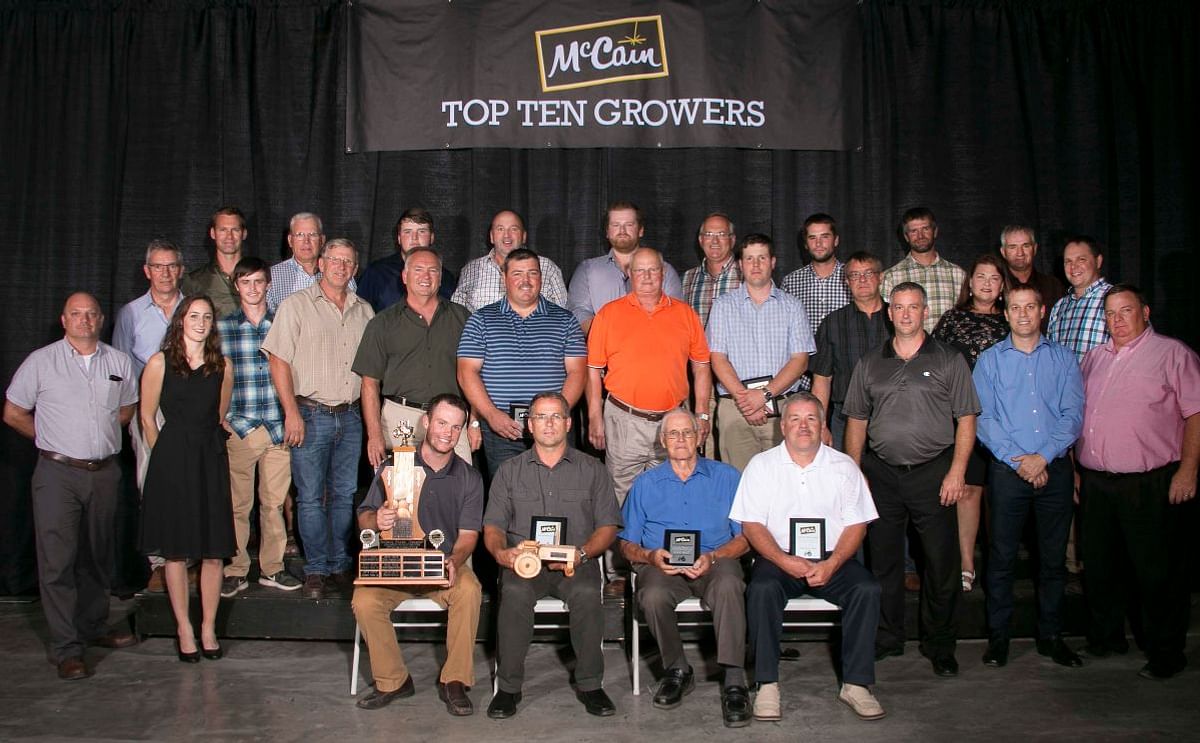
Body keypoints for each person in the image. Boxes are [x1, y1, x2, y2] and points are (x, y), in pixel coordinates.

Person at [843, 282, 980, 677]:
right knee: (883, 562)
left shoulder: (949, 359)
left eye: (913, 307)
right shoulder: (871, 362)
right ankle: (888, 637)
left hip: (933, 472)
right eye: (898, 307)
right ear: (889, 313)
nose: (905, 314)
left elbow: (966, 418)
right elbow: (856, 420)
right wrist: (856, 472)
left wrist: (957, 470)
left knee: (940, 563)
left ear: (924, 312)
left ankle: (940, 644)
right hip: (882, 473)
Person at [4, 293, 140, 680]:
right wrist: (47, 438)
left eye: (91, 314)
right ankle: (67, 648)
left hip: (104, 472)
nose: (85, 320)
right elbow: (13, 412)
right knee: (58, 561)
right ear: (64, 320)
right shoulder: (41, 362)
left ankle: (94, 627)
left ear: (101, 319)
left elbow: (127, 407)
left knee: (97, 555)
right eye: (76, 314)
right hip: (57, 474)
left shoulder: (117, 361)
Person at [732, 394, 884, 722]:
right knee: (761, 590)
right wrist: (783, 560)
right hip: (778, 557)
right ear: (782, 426)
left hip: (833, 558)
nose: (803, 426)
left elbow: (857, 523)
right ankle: (766, 683)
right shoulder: (762, 466)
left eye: (811, 419)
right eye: (796, 419)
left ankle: (856, 684)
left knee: (866, 589)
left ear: (823, 425)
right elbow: (752, 525)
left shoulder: (843, 466)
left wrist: (833, 563)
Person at [1077, 284, 1199, 680]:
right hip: (1097, 482)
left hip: (1151, 482)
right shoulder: (1093, 358)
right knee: (1100, 566)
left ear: (1145, 312)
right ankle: (1108, 637)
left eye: (1125, 311)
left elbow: (1196, 414)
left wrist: (1188, 470)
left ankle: (1166, 652)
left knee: (1157, 572)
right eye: (1110, 314)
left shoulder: (1172, 353)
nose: (1117, 320)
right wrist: (1078, 471)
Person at [483, 392, 622, 719]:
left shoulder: (592, 469)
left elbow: (608, 526)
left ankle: (591, 685)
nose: (548, 424)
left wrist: (584, 554)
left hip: (576, 561)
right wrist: (502, 554)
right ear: (529, 424)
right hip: (524, 564)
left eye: (556, 416)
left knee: (588, 594)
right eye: (541, 417)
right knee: (514, 593)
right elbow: (492, 527)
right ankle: (508, 688)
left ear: (569, 423)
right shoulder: (509, 471)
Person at [586, 247, 712, 594]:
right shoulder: (609, 315)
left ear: (662, 274)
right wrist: (595, 417)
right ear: (629, 275)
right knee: (622, 495)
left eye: (652, 271)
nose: (646, 277)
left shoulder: (685, 314)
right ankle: (620, 574)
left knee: (672, 492)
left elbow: (702, 366)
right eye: (639, 271)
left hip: (674, 419)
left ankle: (669, 564)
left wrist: (701, 414)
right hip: (624, 417)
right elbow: (593, 371)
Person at [973, 283, 1084, 668]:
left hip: (1054, 470)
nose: (1022, 314)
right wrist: (1020, 461)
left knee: (1052, 562)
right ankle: (999, 639)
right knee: (1001, 558)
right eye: (1015, 307)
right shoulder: (989, 361)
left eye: (1030, 306)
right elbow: (983, 419)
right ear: (1006, 313)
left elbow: (1073, 416)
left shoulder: (1065, 359)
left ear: (1042, 311)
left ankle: (1051, 636)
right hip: (1007, 471)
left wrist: (1042, 457)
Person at [351, 394, 484, 715]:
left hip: (442, 564)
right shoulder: (396, 465)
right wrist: (376, 519)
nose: (447, 433)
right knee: (364, 601)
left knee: (469, 589)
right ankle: (393, 680)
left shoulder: (469, 477)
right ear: (426, 422)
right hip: (396, 563)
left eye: (456, 427)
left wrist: (454, 560)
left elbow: (468, 536)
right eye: (441, 423)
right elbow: (364, 517)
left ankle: (455, 681)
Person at [618, 409, 751, 726]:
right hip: (662, 565)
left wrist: (715, 557)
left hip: (716, 561)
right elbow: (625, 543)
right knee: (650, 594)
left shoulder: (728, 477)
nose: (680, 439)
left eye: (687, 433)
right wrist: (651, 558)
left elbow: (746, 538)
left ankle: (734, 679)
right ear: (662, 440)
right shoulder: (646, 484)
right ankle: (677, 669)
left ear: (700, 436)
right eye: (673, 434)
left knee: (731, 583)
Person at [262, 238, 374, 599]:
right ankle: (315, 569)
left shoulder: (365, 311)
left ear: (354, 269)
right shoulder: (296, 306)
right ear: (321, 264)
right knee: (310, 497)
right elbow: (278, 359)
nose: (341, 267)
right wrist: (291, 412)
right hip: (309, 413)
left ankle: (340, 564)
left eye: (348, 262)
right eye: (335, 260)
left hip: (351, 415)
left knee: (343, 495)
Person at [137, 295, 235, 662]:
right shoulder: (159, 363)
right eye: (194, 315)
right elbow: (147, 418)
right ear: (181, 320)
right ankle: (184, 628)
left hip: (209, 457)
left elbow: (219, 412)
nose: (200, 321)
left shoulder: (222, 366)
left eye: (207, 317)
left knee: (213, 551)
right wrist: (166, 459)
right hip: (172, 460)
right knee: (175, 551)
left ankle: (208, 626)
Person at [456, 247, 587, 477]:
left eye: (532, 273)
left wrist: (553, 416)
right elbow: (467, 373)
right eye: (517, 273)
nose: (525, 281)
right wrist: (490, 414)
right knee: (508, 497)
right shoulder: (481, 320)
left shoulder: (565, 320)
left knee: (557, 494)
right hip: (502, 429)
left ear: (541, 277)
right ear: (503, 278)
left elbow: (577, 372)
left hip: (553, 430)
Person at [217, 257, 299, 596]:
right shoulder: (222, 327)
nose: (253, 288)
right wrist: (220, 418)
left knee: (274, 502)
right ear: (237, 286)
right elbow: (213, 374)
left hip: (278, 426)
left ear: (268, 284)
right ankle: (236, 568)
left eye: (258, 281)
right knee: (238, 504)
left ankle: (272, 568)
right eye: (245, 282)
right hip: (240, 425)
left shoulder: (283, 321)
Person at [931, 254, 1010, 592]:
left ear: (1003, 285)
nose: (987, 283)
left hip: (1004, 416)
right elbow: (933, 362)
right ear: (970, 282)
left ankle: (1000, 564)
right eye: (980, 276)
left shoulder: (1012, 321)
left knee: (1001, 495)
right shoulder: (952, 319)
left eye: (994, 278)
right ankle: (966, 562)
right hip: (959, 415)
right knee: (967, 490)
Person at [354, 247, 474, 469]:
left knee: (458, 486)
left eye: (433, 270)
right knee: (403, 495)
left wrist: (474, 420)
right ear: (404, 276)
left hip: (451, 416)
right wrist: (374, 435)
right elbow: (369, 384)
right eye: (418, 269)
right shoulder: (382, 323)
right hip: (401, 417)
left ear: (441, 277)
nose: (426, 276)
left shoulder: (462, 318)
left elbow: (476, 375)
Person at [112, 238, 186, 593]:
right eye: (158, 266)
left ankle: (186, 559)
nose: (165, 273)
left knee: (190, 482)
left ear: (181, 270)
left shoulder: (194, 309)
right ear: (147, 271)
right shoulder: (130, 314)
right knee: (152, 483)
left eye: (171, 265)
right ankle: (159, 562)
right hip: (150, 411)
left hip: (189, 412)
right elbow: (121, 368)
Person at [707, 234, 813, 470]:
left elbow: (800, 361)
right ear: (740, 264)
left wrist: (763, 396)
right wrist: (746, 401)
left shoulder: (792, 306)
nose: (755, 265)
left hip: (783, 409)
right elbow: (717, 358)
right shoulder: (723, 306)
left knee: (787, 483)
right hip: (735, 409)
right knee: (739, 485)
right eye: (749, 259)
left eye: (762, 258)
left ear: (773, 262)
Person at [811, 252, 892, 450]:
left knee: (890, 480)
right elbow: (822, 379)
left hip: (893, 418)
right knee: (846, 478)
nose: (862, 280)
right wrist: (821, 425)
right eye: (855, 275)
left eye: (868, 273)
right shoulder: (833, 323)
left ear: (880, 277)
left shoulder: (898, 317)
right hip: (845, 419)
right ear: (846, 281)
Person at [568, 200, 684, 334]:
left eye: (629, 225)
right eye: (616, 225)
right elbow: (578, 311)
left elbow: (676, 313)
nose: (622, 231)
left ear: (640, 230)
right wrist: (607, 336)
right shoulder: (587, 270)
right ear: (607, 232)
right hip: (603, 351)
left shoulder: (666, 271)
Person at [781, 212, 851, 391]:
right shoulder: (791, 282)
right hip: (804, 381)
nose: (818, 244)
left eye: (824, 237)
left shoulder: (854, 278)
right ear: (805, 243)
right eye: (813, 238)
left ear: (836, 240)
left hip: (846, 381)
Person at [451, 210, 567, 312]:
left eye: (514, 229)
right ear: (491, 236)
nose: (507, 235)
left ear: (524, 236)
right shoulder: (471, 270)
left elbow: (564, 312)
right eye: (500, 229)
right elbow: (456, 315)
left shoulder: (547, 267)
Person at [356, 207, 457, 312]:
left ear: (431, 237)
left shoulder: (446, 277)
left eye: (421, 231)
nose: (414, 237)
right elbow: (359, 315)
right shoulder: (376, 273)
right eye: (408, 232)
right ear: (399, 238)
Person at [881, 207, 965, 331]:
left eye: (925, 229)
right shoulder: (890, 277)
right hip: (908, 349)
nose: (920, 236)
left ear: (935, 231)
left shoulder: (958, 275)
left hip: (947, 349)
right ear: (906, 236)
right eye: (913, 231)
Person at [266, 212, 357, 311]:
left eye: (312, 235)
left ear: (322, 240)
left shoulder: (341, 274)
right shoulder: (273, 276)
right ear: (290, 240)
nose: (306, 241)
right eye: (300, 235)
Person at [1047, 235, 1111, 362]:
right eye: (1068, 261)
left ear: (1098, 261)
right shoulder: (1060, 306)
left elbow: (1140, 348)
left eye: (1081, 259)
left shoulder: (1116, 299)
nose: (1073, 267)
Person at [182, 206, 249, 318]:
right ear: (213, 233)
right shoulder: (195, 281)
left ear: (244, 234)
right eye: (223, 230)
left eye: (235, 230)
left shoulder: (259, 277)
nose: (229, 236)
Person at [680, 212, 741, 328]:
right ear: (701, 240)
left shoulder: (747, 277)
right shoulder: (687, 279)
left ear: (732, 240)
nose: (715, 241)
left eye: (722, 234)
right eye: (708, 234)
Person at [997, 224, 1064, 330]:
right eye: (1013, 247)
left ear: (1035, 248)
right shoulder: (995, 287)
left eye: (1026, 246)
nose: (1020, 253)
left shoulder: (1053, 286)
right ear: (1003, 252)